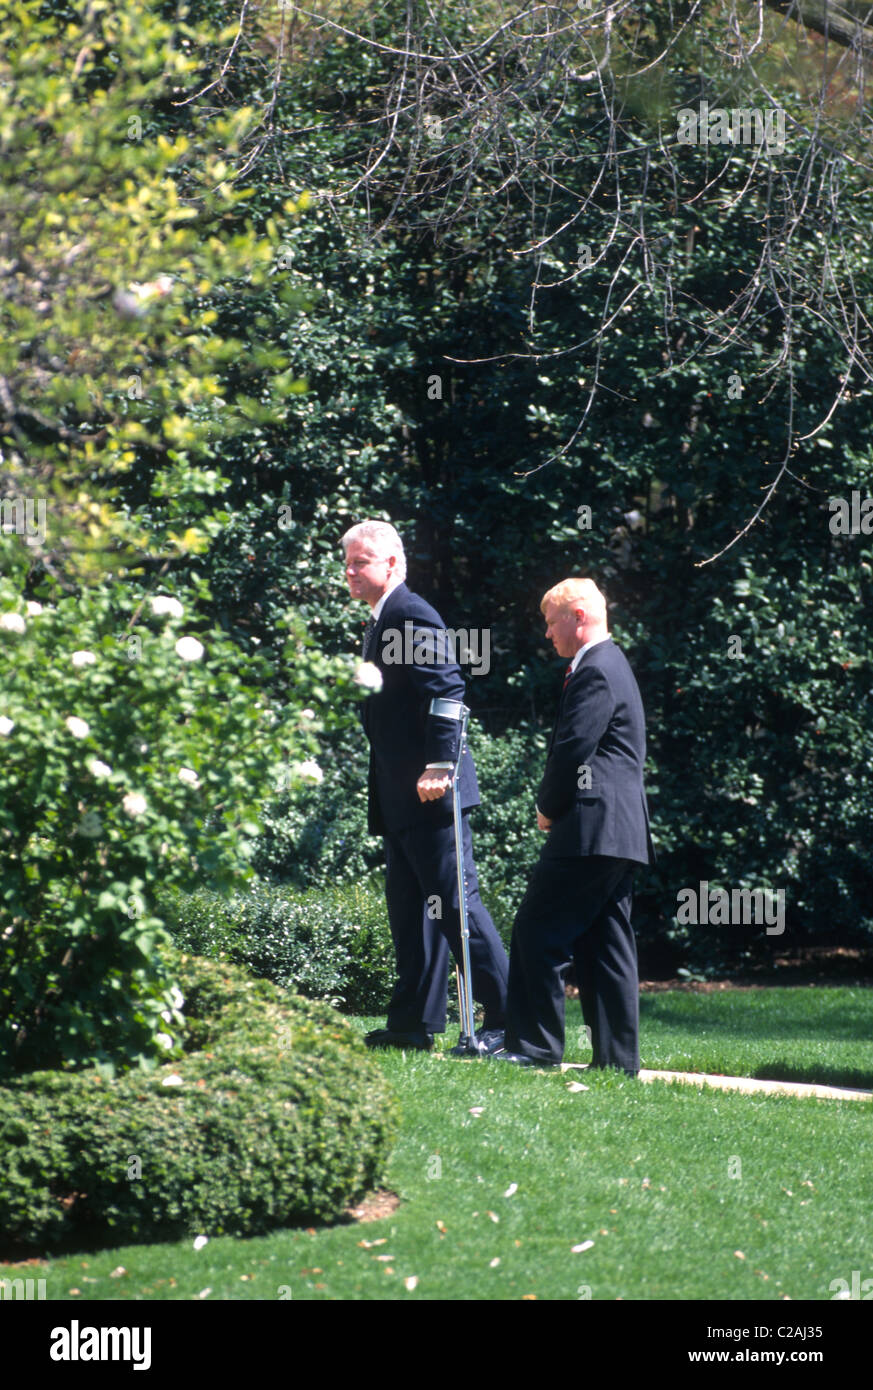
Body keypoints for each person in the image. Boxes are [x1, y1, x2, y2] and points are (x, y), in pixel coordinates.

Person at [342, 519, 508, 1051]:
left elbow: (448, 690)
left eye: (359, 562)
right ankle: (413, 1023)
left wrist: (440, 764)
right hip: (401, 801)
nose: (349, 572)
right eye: (346, 563)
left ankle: (514, 1018)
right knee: (413, 911)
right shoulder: (379, 620)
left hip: (432, 793)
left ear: (391, 563)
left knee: (457, 905)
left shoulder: (409, 613)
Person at [496, 577, 654, 1075]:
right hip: (619, 833)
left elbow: (572, 752)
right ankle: (616, 1063)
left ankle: (535, 1049)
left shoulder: (596, 671)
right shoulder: (612, 665)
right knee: (606, 945)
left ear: (578, 617)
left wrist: (547, 806)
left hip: (589, 828)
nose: (547, 634)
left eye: (550, 622)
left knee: (537, 931)